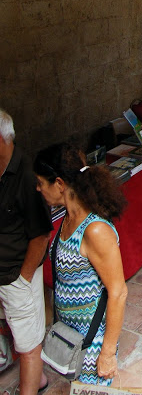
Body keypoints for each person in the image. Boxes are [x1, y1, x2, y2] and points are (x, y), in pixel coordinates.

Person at [33, 143, 127, 385]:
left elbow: (118, 292)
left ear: (60, 184)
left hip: (92, 343)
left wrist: (106, 354)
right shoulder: (67, 218)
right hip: (72, 337)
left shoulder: (95, 230)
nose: (38, 188)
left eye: (41, 182)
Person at [0, 110, 52, 395]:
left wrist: (23, 278)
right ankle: (39, 379)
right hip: (5, 273)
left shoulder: (26, 176)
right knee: (21, 332)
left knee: (28, 343)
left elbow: (41, 235)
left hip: (16, 275)